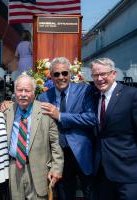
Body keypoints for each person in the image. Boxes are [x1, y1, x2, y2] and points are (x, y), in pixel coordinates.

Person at [90, 58, 137, 200]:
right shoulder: (95, 97)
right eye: (95, 75)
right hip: (102, 174)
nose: (99, 78)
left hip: (129, 173)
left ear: (113, 74)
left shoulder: (133, 95)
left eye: (103, 74)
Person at [38, 57, 97, 200]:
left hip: (82, 152)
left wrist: (60, 116)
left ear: (70, 74)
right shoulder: (44, 97)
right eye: (56, 74)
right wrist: (10, 103)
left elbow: (91, 118)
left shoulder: (84, 90)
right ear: (50, 76)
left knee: (90, 193)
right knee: (65, 195)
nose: (61, 77)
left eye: (64, 73)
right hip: (59, 156)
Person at [4, 74, 63, 200]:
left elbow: (55, 143)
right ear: (15, 91)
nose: (23, 94)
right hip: (14, 169)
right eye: (20, 90)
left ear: (34, 92)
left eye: (27, 90)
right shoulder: (7, 111)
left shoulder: (46, 111)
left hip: (39, 170)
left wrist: (57, 168)